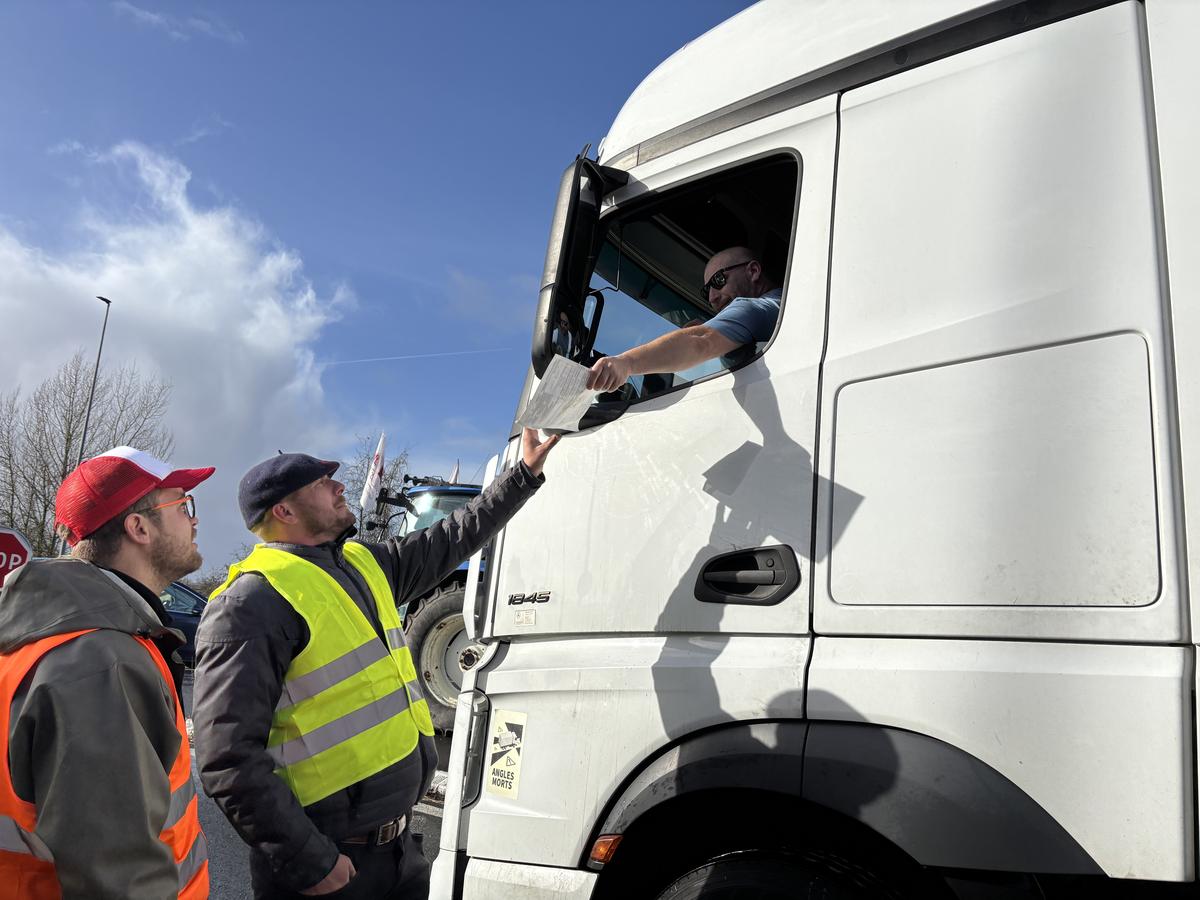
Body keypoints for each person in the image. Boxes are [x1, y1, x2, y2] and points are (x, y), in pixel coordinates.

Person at [192, 427, 560, 900]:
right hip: (329, 867)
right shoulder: (251, 603)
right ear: (283, 511)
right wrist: (311, 863)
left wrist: (522, 475)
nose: (340, 485)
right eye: (322, 483)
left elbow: (452, 538)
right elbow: (227, 761)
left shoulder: (363, 564)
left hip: (397, 854)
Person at [0, 446, 213, 899]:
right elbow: (120, 883)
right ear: (138, 528)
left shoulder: (62, 637)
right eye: (182, 506)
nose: (194, 520)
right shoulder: (99, 663)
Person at [585, 246, 781, 393]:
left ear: (753, 271)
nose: (712, 297)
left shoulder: (755, 308)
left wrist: (625, 363)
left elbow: (700, 343)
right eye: (706, 291)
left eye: (718, 281)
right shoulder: (780, 304)